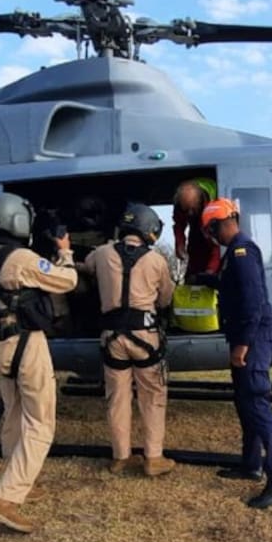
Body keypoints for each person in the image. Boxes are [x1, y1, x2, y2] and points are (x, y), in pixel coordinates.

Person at [0, 192, 79, 533]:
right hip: (27, 344)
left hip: (0, 344)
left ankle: (16, 479)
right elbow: (67, 281)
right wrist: (65, 251)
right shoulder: (21, 259)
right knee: (41, 422)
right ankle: (7, 499)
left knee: (13, 412)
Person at [199, 198, 272, 509]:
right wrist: (207, 280)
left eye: (211, 231)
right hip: (246, 337)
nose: (213, 238)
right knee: (244, 402)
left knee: (256, 403)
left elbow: (252, 303)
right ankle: (251, 465)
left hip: (251, 339)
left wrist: (242, 345)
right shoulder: (236, 253)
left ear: (219, 224)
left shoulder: (242, 251)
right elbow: (234, 290)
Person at [80, 203, 176, 477]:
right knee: (153, 396)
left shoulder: (101, 253)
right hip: (145, 338)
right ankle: (153, 458)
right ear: (149, 230)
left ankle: (121, 456)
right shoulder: (156, 260)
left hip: (112, 339)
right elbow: (166, 298)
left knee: (117, 398)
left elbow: (85, 268)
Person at [172, 177, 222, 280]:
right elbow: (179, 224)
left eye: (192, 208)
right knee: (194, 251)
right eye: (186, 209)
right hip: (196, 229)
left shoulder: (213, 207)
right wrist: (180, 244)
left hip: (209, 221)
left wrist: (210, 272)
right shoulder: (181, 204)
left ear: (200, 200)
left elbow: (217, 246)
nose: (189, 213)